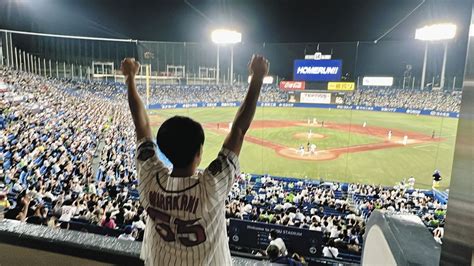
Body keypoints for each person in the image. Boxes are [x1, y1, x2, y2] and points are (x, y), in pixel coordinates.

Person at [123, 55, 269, 265]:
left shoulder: (149, 178)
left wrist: (129, 77)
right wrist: (257, 78)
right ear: (199, 153)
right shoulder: (209, 186)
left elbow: (141, 125)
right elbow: (238, 130)